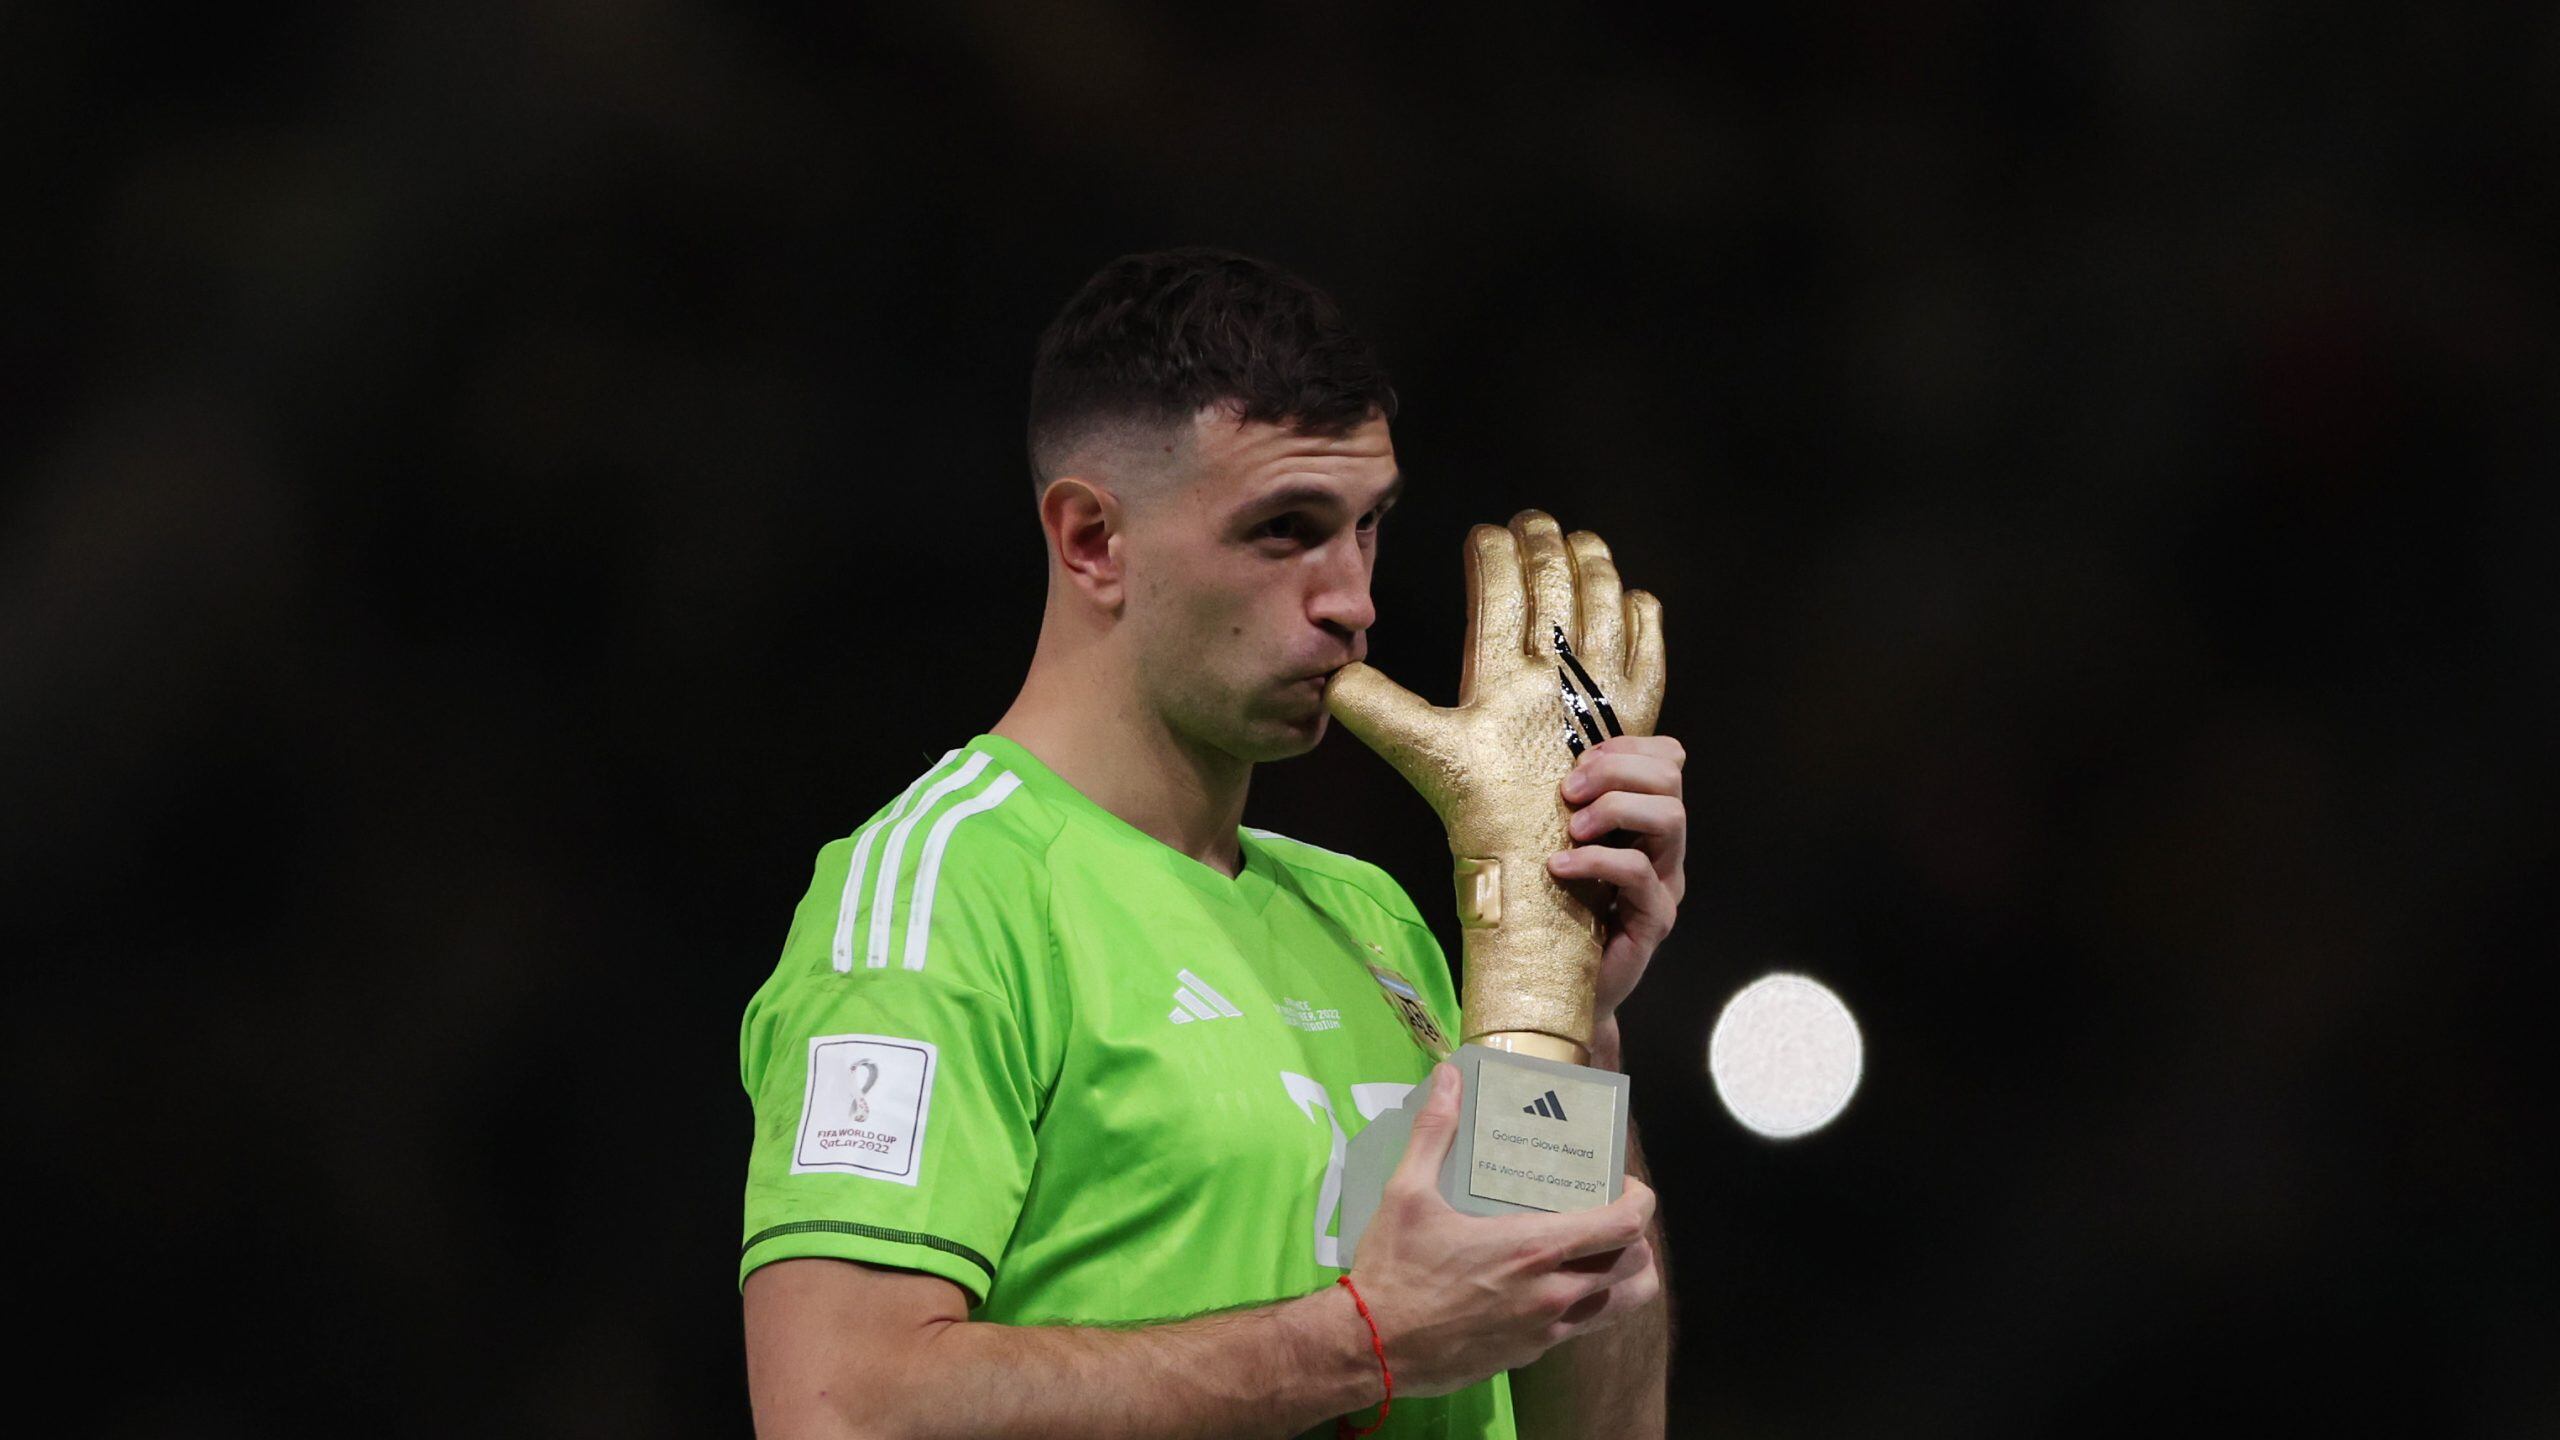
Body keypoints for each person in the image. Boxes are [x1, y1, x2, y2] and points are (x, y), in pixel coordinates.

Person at [738, 248, 1687, 1439]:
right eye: (1285, 530)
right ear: (1092, 539)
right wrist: (1367, 1338)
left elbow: (1596, 1430)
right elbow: (837, 1410)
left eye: (1367, 527)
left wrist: (1566, 1017)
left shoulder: (1373, 918)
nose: (1353, 601)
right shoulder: (947, 894)